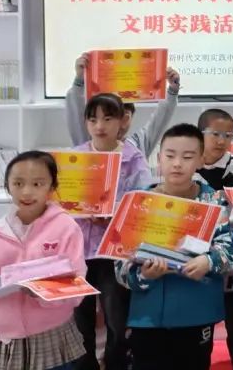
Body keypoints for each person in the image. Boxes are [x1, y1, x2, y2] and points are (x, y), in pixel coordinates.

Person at [116, 124, 233, 370]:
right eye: (170, 156)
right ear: (158, 158)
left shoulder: (214, 202)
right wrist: (143, 275)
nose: (177, 164)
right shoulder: (138, 203)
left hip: (197, 313)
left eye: (188, 157)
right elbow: (119, 264)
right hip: (147, 315)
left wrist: (208, 261)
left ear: (201, 160)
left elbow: (229, 252)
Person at [0, 151, 87, 370]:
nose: (27, 192)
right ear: (8, 186)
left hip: (51, 333)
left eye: (37, 184)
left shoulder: (66, 228)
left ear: (52, 187)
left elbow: (76, 283)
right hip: (8, 336)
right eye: (18, 183)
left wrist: (43, 291)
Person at [72, 93, 152, 370]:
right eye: (93, 119)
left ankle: (116, 364)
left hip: (115, 250)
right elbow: (59, 200)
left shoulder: (133, 157)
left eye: (108, 119)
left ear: (122, 121)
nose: (100, 126)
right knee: (80, 318)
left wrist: (113, 212)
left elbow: (144, 201)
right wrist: (80, 208)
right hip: (80, 250)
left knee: (116, 317)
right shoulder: (76, 157)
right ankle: (86, 366)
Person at [196, 108, 233, 370]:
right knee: (201, 322)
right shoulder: (189, 162)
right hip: (196, 251)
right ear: (200, 133)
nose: (221, 140)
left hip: (231, 250)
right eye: (215, 134)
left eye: (228, 135)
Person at [65, 53, 181, 158]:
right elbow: (76, 112)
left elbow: (159, 120)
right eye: (108, 118)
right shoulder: (91, 142)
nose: (121, 123)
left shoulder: (138, 144)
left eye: (125, 116)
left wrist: (172, 91)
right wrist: (79, 80)